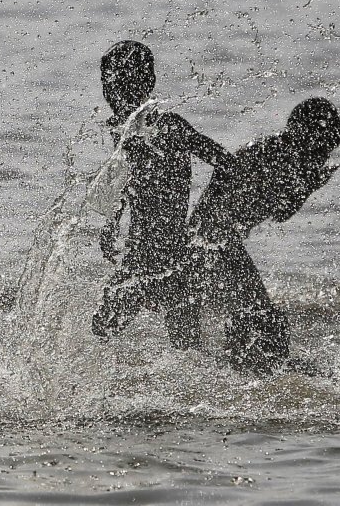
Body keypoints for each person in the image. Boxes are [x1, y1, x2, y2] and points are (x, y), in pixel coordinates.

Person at [89, 40, 235, 350]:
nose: (113, 94)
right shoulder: (125, 130)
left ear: (147, 84)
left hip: (164, 258)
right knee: (186, 349)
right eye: (109, 84)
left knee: (105, 330)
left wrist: (205, 217)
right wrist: (113, 221)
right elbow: (129, 181)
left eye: (121, 83)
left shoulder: (169, 127)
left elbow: (225, 163)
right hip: (150, 255)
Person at [188, 97, 340, 373]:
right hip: (212, 242)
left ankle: (240, 367)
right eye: (320, 151)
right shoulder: (270, 155)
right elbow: (259, 208)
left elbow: (278, 212)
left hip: (215, 242)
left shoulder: (285, 156)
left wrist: (307, 186)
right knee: (263, 318)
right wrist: (307, 187)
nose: (321, 158)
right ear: (302, 135)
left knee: (255, 316)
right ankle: (250, 372)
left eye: (326, 153)